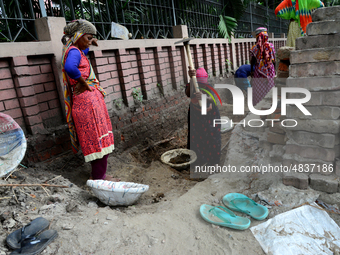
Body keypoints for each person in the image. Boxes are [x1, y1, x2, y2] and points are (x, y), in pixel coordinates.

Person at [61, 19, 119, 182]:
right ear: (78, 36)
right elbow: (70, 68)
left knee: (98, 139)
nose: (91, 41)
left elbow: (80, 58)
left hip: (89, 102)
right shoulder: (73, 51)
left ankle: (99, 176)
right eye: (88, 37)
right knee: (96, 139)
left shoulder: (77, 50)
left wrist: (91, 42)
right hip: (87, 104)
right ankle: (99, 178)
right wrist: (84, 83)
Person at [185, 67, 221, 167]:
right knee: (196, 137)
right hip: (196, 116)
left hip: (210, 117)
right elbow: (188, 94)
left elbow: (212, 99)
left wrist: (204, 97)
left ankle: (213, 162)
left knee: (212, 136)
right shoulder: (192, 84)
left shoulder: (209, 87)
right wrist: (192, 80)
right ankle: (198, 160)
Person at [250, 27, 276, 106]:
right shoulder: (271, 46)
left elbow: (252, 61)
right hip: (270, 71)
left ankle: (259, 107)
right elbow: (274, 60)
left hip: (259, 73)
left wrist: (251, 71)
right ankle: (270, 106)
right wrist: (274, 71)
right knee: (270, 88)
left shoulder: (254, 48)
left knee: (259, 90)